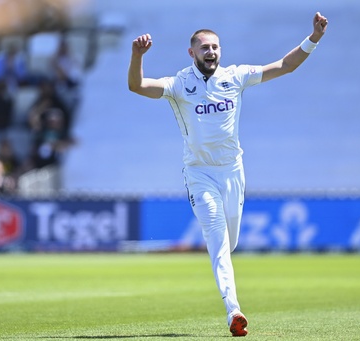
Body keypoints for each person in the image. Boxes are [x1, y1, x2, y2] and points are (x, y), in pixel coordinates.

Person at [128, 12, 328, 337]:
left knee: (230, 242)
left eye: (216, 47)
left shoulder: (235, 76)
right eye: (204, 48)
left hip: (233, 171)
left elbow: (285, 66)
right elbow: (136, 85)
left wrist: (314, 37)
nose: (211, 52)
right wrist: (137, 56)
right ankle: (234, 311)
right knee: (219, 243)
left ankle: (230, 293)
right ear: (191, 52)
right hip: (199, 174)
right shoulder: (179, 84)